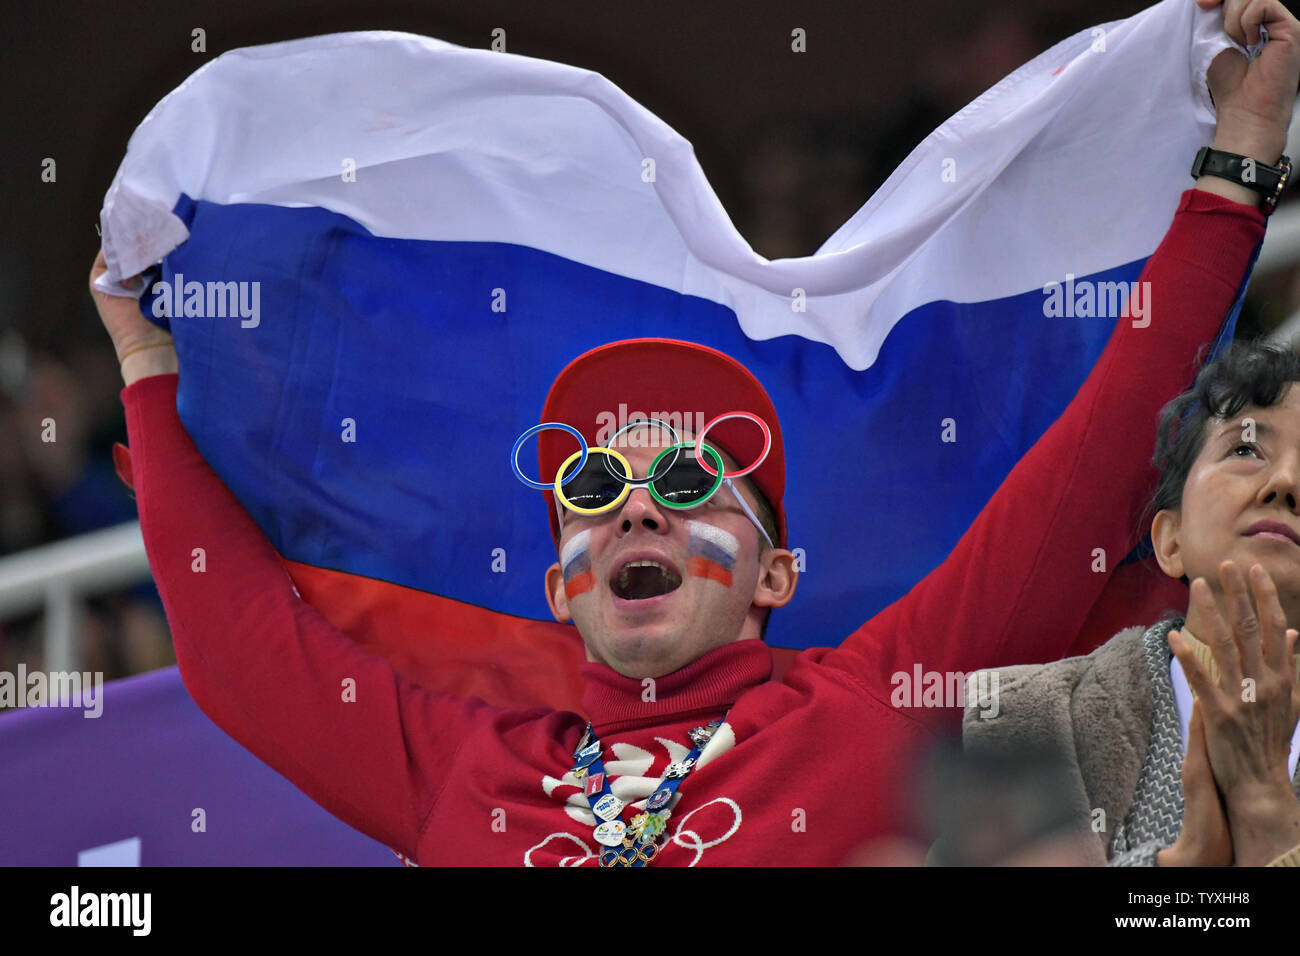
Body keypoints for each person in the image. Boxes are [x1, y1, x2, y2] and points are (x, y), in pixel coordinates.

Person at [90, 0, 1298, 865]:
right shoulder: (466, 766)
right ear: (560, 585)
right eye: (591, 481)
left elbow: (1089, 471)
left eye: (687, 473)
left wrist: (1235, 166)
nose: (632, 501)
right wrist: (147, 363)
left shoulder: (863, 705)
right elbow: (241, 649)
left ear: (778, 573)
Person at [961, 342, 1300, 867]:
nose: (1285, 484)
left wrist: (1270, 816)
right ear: (1170, 540)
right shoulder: (1029, 718)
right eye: (1245, 449)